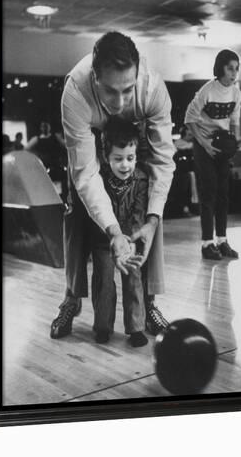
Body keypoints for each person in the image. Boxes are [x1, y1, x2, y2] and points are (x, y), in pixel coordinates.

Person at [50, 31, 175, 339]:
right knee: (76, 209)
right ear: (95, 78)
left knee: (150, 211)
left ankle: (149, 304)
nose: (119, 103)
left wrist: (151, 220)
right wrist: (114, 232)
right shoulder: (75, 92)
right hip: (94, 150)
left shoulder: (154, 89)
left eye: (127, 90)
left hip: (132, 144)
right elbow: (86, 175)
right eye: (110, 92)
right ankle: (71, 298)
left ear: (138, 76)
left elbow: (162, 161)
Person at [89, 118, 149, 347]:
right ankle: (103, 327)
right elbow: (96, 211)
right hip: (104, 240)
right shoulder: (99, 179)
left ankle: (136, 328)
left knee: (133, 277)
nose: (125, 165)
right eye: (118, 159)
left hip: (130, 240)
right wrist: (112, 237)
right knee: (104, 280)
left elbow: (139, 212)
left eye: (130, 158)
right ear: (106, 158)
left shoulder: (141, 179)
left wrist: (132, 239)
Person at [185, 49, 241, 260]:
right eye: (230, 68)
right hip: (203, 144)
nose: (234, 73)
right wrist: (204, 144)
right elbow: (189, 119)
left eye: (236, 69)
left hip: (221, 144)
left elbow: (234, 122)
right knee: (208, 193)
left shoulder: (236, 93)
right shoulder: (207, 91)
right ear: (220, 69)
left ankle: (222, 241)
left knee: (223, 194)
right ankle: (207, 244)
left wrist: (233, 146)